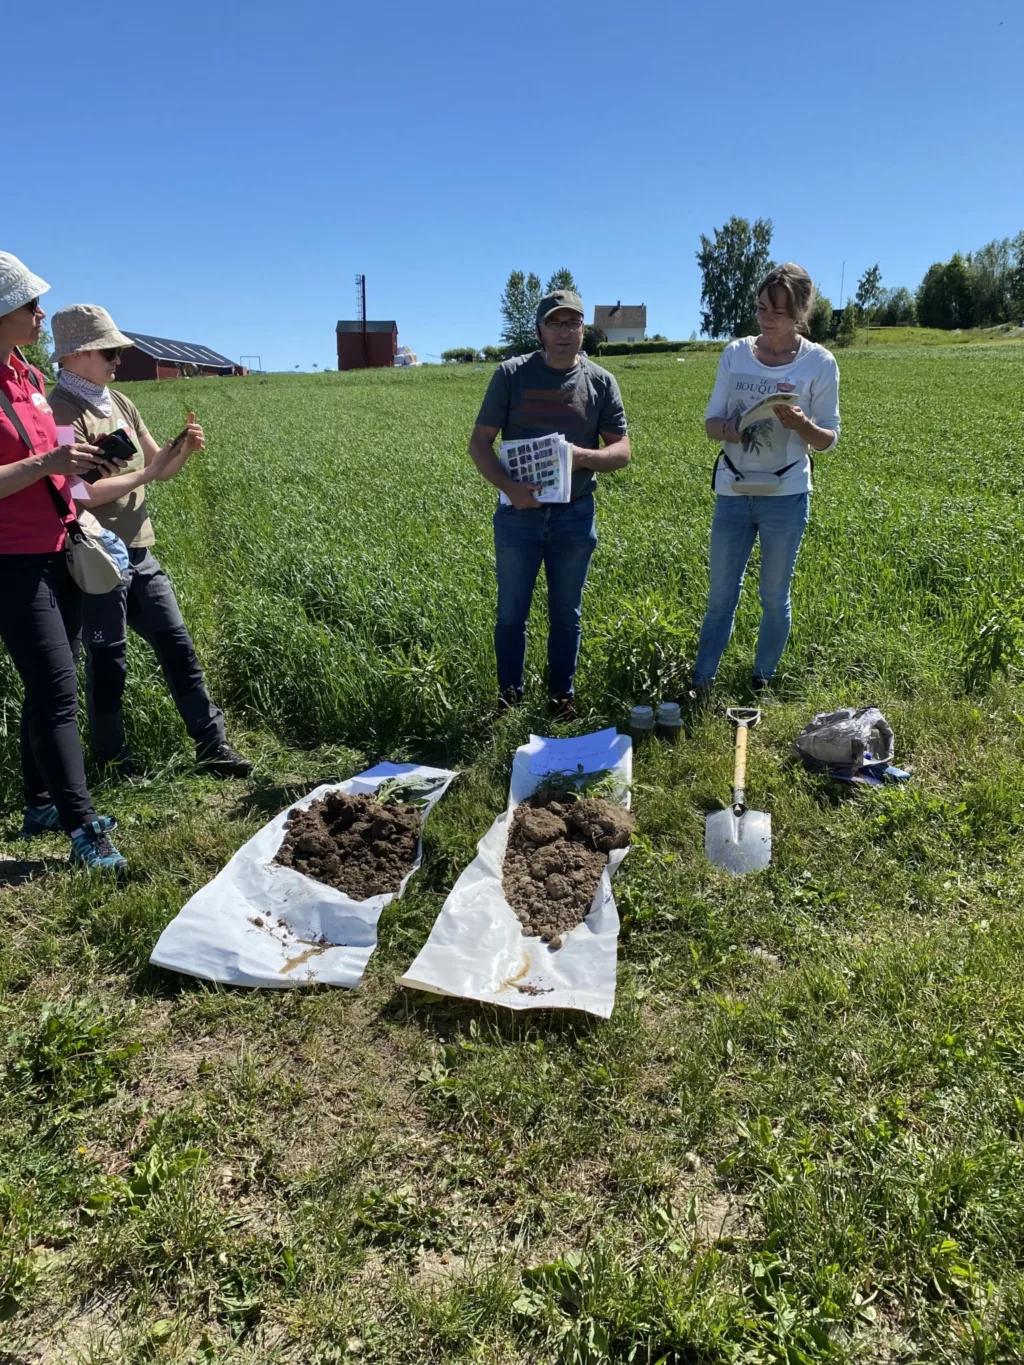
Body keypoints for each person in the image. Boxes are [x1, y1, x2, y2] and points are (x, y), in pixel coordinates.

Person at [0, 255, 179, 870]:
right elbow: (28, 471)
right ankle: (83, 830)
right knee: (57, 692)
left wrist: (80, 462)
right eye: (28, 304)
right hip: (12, 560)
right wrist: (43, 467)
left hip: (59, 548)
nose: (39, 313)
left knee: (48, 684)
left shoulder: (22, 378)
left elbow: (51, 463)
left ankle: (41, 803)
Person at [48, 305, 252, 780]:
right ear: (76, 355)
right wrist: (148, 470)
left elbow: (160, 467)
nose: (118, 357)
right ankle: (114, 762)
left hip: (139, 552)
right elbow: (78, 494)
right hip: (95, 559)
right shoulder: (60, 411)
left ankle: (212, 744)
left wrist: (181, 448)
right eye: (109, 350)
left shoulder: (120, 401)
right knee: (108, 662)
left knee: (177, 644)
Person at [469, 289, 631, 718]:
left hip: (575, 515)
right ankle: (509, 698)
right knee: (510, 615)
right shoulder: (511, 375)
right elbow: (480, 444)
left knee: (566, 616)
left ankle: (562, 699)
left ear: (583, 329)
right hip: (518, 515)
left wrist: (583, 457)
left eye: (572, 323)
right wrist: (511, 489)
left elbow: (622, 452)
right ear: (539, 329)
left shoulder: (600, 382)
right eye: (555, 323)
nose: (564, 332)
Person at [692, 263, 841, 696]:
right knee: (720, 595)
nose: (765, 317)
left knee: (774, 595)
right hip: (733, 490)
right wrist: (730, 429)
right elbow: (710, 422)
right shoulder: (735, 353)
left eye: (776, 310)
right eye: (760, 308)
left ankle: (762, 679)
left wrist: (800, 425)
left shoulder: (820, 362)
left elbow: (829, 438)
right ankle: (701, 682)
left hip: (786, 493)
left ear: (799, 312)